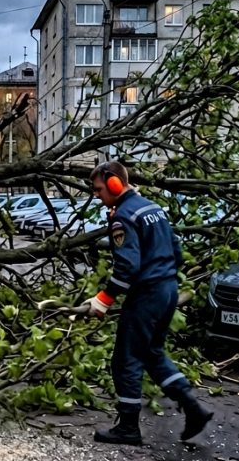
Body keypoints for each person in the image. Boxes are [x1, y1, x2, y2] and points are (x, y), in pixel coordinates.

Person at [81, 161, 213, 445]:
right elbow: (177, 253)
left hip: (147, 294)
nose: (97, 195)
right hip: (167, 290)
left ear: (115, 183)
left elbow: (127, 267)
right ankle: (193, 408)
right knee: (151, 353)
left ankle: (128, 426)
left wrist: (103, 301)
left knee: (125, 360)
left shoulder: (123, 216)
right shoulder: (153, 208)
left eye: (99, 189)